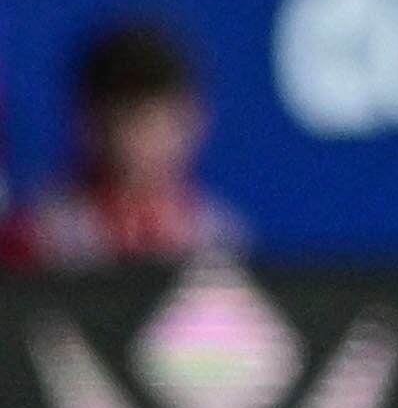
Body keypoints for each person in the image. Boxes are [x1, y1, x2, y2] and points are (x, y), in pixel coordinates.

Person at [2, 19, 244, 269]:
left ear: (196, 121)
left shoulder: (219, 237)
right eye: (125, 122)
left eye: (155, 123)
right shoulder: (41, 234)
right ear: (87, 123)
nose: (139, 144)